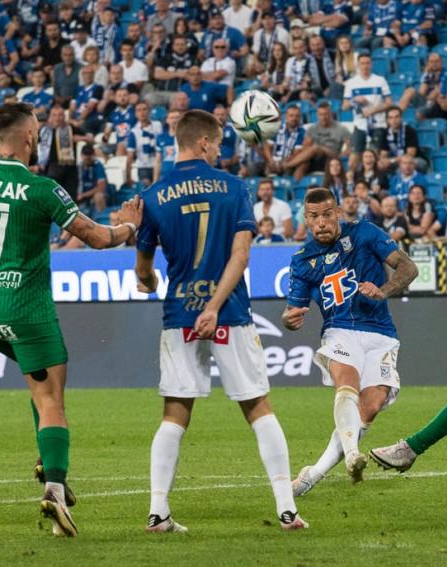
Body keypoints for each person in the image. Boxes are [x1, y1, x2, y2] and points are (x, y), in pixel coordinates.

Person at [0, 102, 144, 537]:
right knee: (52, 397)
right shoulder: (42, 189)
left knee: (38, 386)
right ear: (30, 137)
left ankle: (47, 462)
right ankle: (54, 486)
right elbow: (99, 238)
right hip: (27, 311)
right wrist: (129, 227)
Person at [134, 109, 306, 532]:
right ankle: (287, 509)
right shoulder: (234, 188)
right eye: (218, 142)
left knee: (174, 412)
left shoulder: (153, 195)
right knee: (258, 407)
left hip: (180, 316)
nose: (221, 148)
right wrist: (213, 306)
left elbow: (143, 272)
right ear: (204, 144)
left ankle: (158, 512)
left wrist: (150, 279)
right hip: (228, 313)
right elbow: (241, 256)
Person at [284, 188, 418, 493]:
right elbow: (292, 311)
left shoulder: (365, 233)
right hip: (340, 329)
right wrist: (289, 320)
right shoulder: (303, 261)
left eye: (327, 215)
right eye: (314, 217)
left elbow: (408, 267)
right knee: (347, 381)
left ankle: (310, 476)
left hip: (381, 334)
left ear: (338, 213)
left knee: (370, 406)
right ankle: (352, 454)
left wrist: (384, 290)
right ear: (305, 219)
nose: (321, 223)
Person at [343, 53, 392, 172]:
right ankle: (351, 183)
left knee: (375, 157)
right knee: (354, 157)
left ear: (371, 64)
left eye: (367, 63)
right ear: (358, 65)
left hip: (378, 124)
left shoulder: (380, 80)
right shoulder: (351, 83)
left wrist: (373, 110)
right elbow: (344, 106)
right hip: (360, 125)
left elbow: (389, 103)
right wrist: (354, 100)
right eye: (362, 63)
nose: (365, 66)